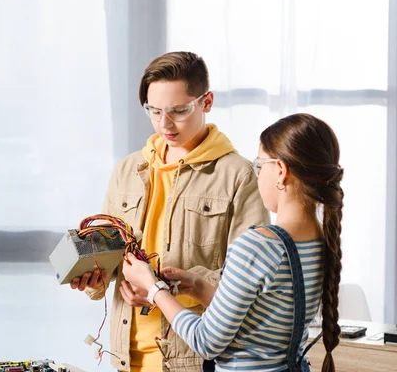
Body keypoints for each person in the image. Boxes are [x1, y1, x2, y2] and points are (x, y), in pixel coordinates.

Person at [71, 51, 270, 371]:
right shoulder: (128, 169)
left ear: (206, 102)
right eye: (154, 110)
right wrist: (93, 277)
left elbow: (250, 286)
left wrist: (161, 287)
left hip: (194, 357)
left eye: (178, 110)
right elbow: (107, 262)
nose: (165, 123)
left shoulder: (239, 176)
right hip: (126, 356)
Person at [123, 113, 342, 372]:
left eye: (260, 166)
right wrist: (198, 287)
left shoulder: (257, 245)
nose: (257, 175)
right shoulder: (323, 242)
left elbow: (205, 342)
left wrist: (153, 287)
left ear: (280, 171)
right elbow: (259, 319)